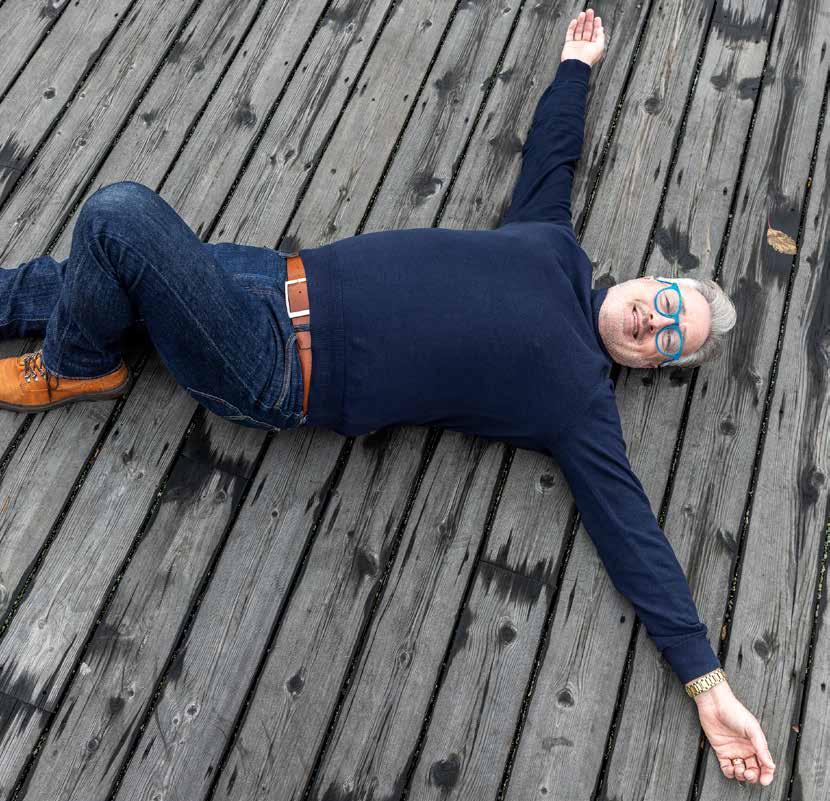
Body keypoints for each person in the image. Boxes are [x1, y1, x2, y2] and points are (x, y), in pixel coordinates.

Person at [0, 9, 774, 786]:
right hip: (271, 277)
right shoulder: (550, 240)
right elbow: (555, 152)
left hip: (272, 363)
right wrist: (577, 66)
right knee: (78, 281)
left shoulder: (578, 403)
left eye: (668, 337)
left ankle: (76, 366)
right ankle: (69, 333)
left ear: (652, 363)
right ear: (648, 279)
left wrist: (709, 684)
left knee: (118, 219)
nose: (653, 321)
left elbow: (633, 533)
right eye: (665, 302)